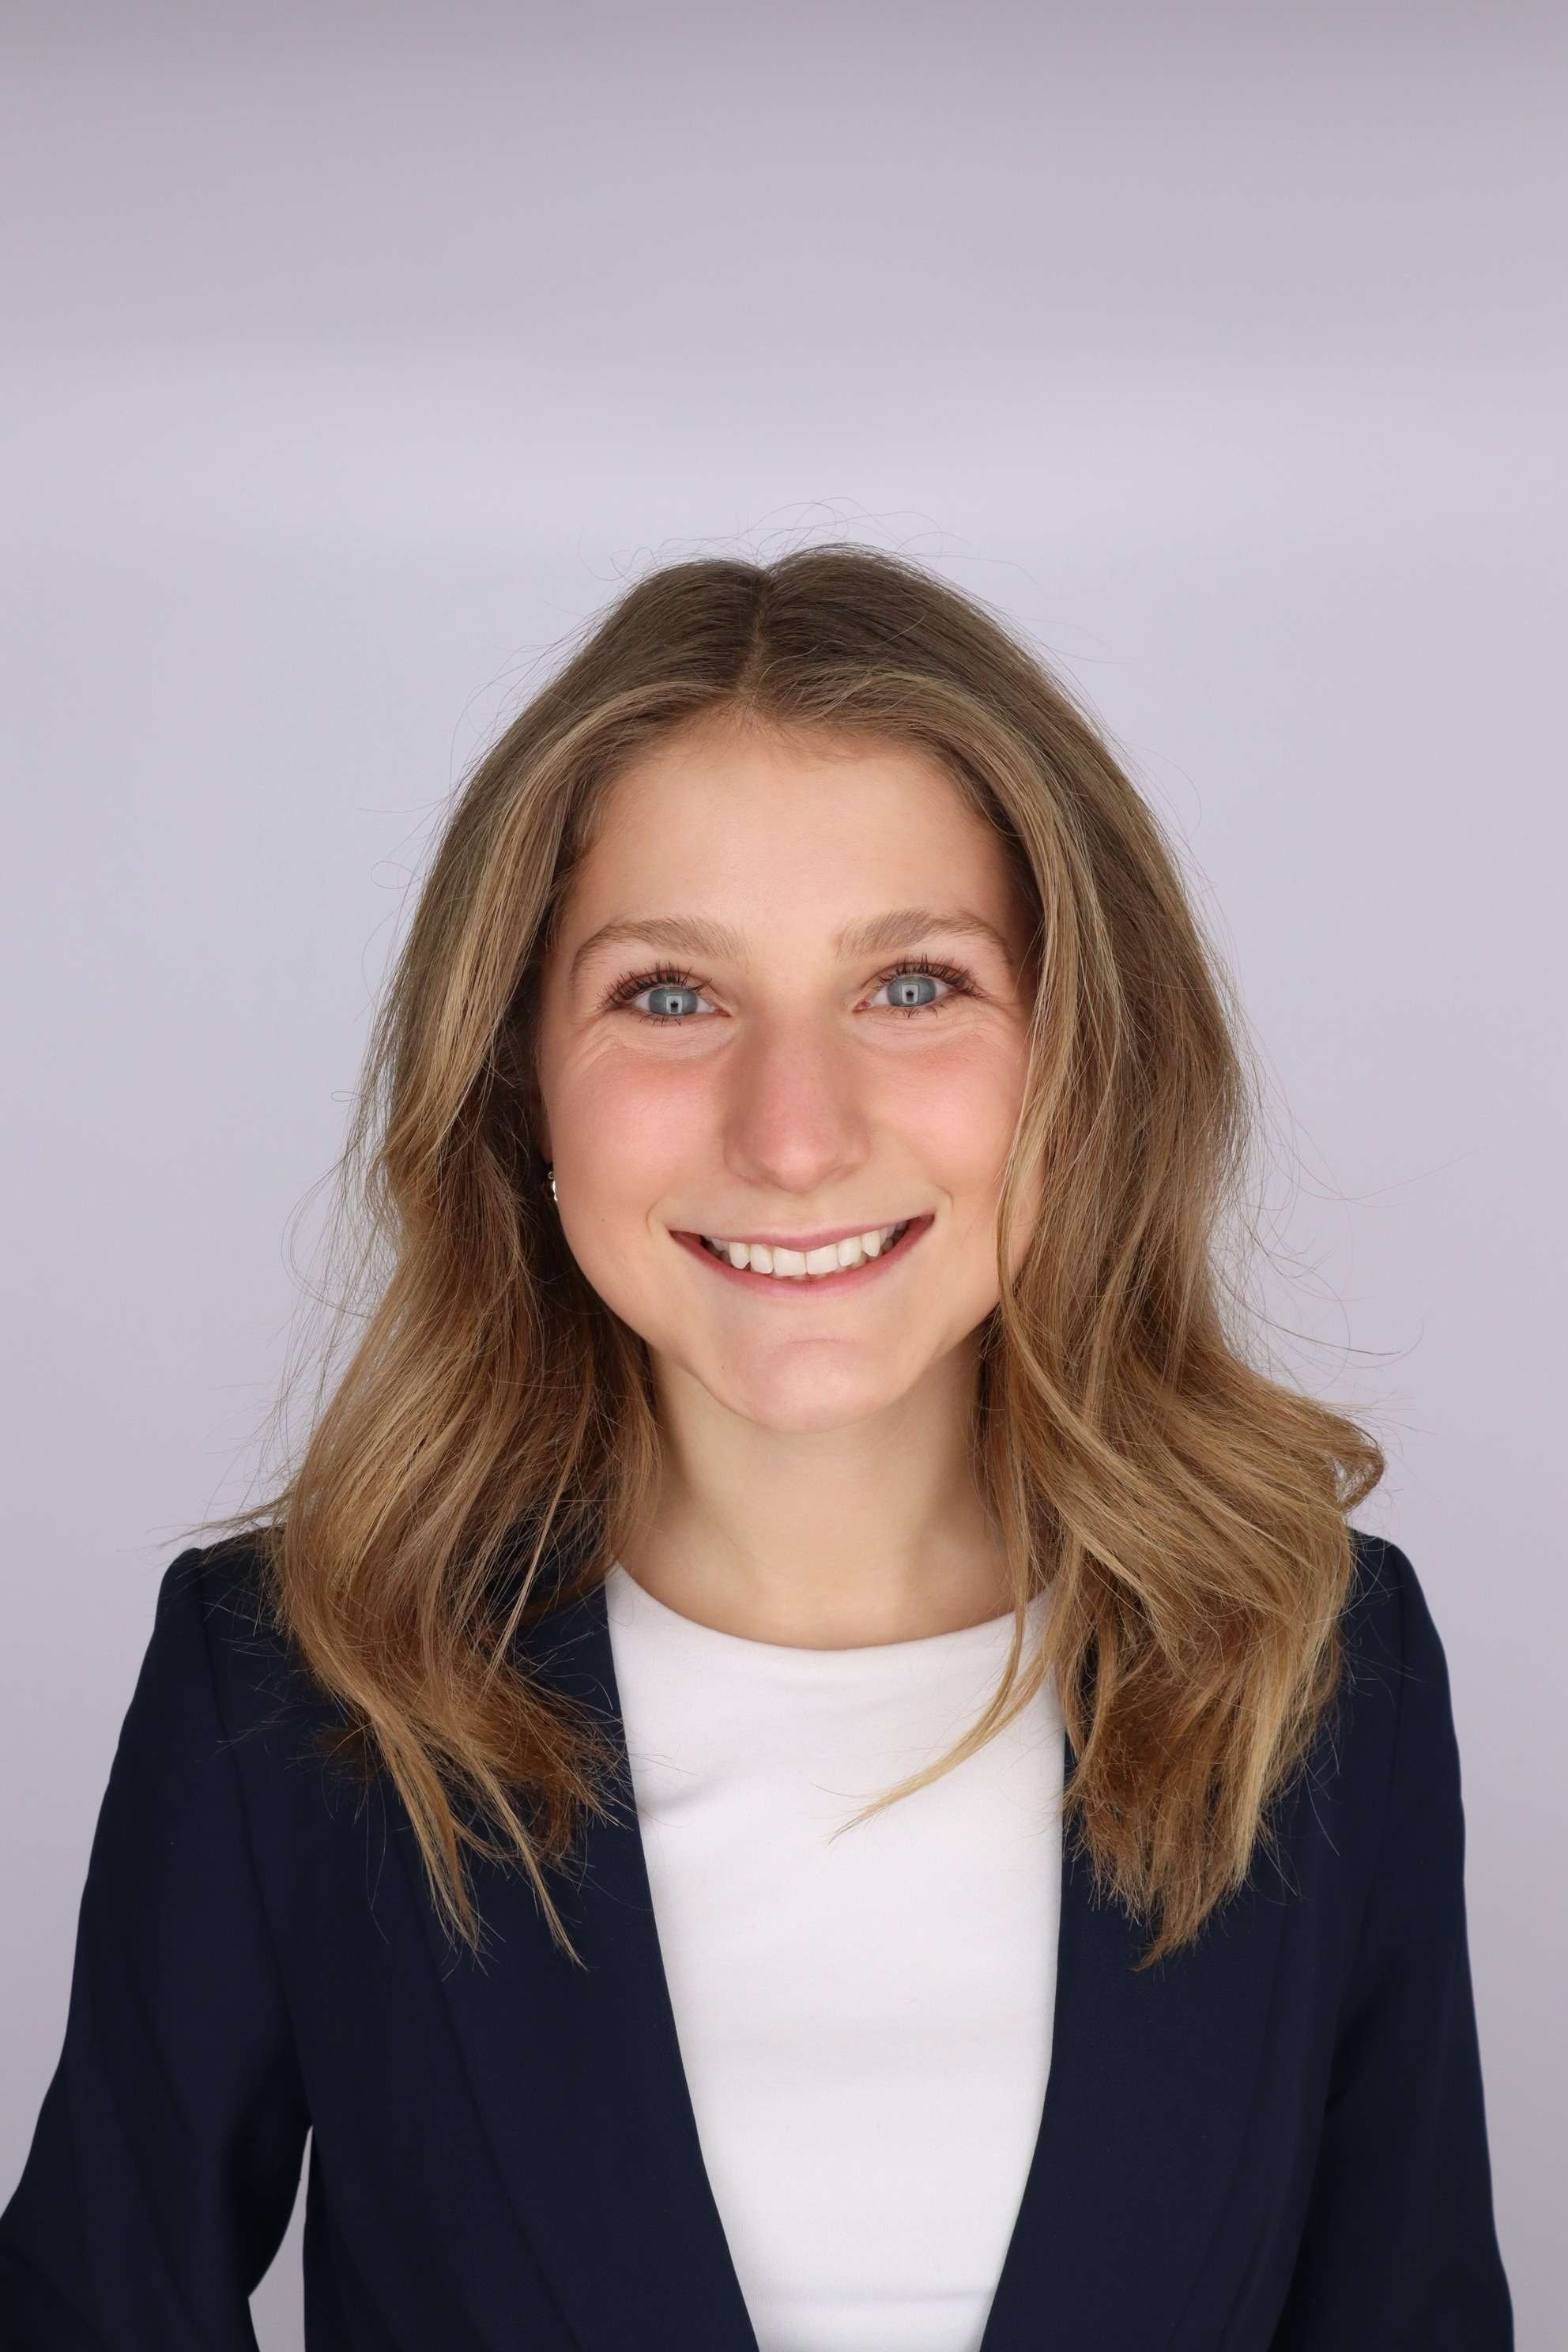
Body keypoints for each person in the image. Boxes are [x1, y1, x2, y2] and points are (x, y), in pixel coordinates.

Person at [0, 547, 1512, 2350]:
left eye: (914, 985)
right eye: (667, 995)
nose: (793, 1136)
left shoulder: (1315, 1666)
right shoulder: (290, 1686)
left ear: (1084, 1059)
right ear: (518, 1079)